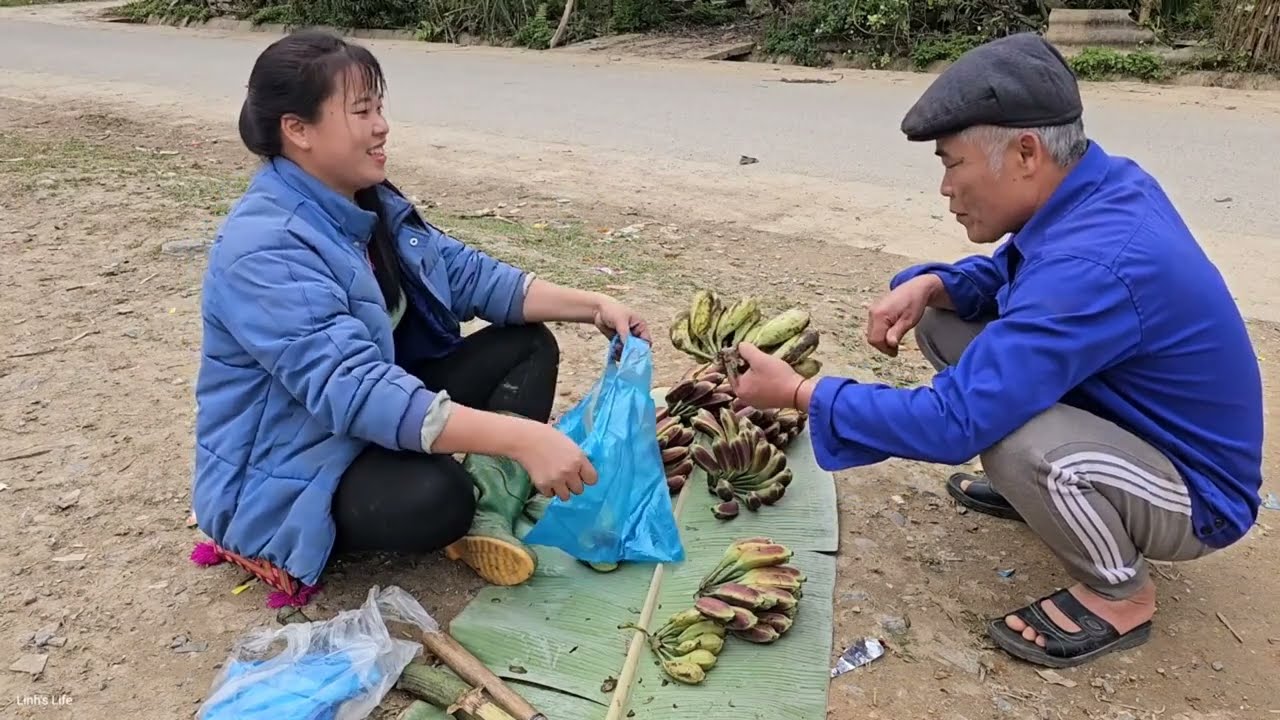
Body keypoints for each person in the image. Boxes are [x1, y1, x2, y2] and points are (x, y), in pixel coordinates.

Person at [729, 32, 1264, 668]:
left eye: (952, 163)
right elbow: (1018, 275)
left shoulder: (1094, 263)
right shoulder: (1098, 188)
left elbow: (953, 422)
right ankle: (1050, 495)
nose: (945, 187)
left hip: (1198, 491)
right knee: (943, 321)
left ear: (1026, 152)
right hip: (1133, 423)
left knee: (1015, 441)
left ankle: (1121, 595)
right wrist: (936, 283)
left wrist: (799, 392)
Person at [191, 29, 650, 600]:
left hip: (368, 420)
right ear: (298, 130)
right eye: (361, 111)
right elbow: (354, 390)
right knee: (439, 499)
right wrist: (523, 438)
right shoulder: (266, 247)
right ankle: (472, 501)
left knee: (527, 345)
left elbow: (468, 276)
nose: (382, 125)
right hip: (289, 470)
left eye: (379, 107)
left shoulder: (366, 200)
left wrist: (594, 305)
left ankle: (493, 506)